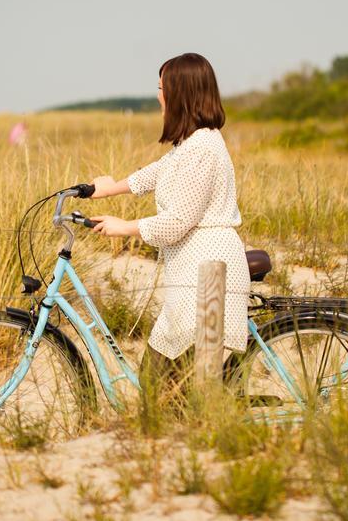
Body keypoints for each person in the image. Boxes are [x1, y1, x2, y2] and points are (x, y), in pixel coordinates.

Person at [88, 52, 249, 406]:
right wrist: (108, 188)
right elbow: (159, 171)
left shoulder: (204, 148)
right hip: (193, 276)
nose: (158, 96)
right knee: (165, 385)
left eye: (162, 88)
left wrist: (124, 227)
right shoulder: (190, 144)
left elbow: (177, 222)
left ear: (180, 93)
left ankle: (209, 441)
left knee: (174, 390)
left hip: (209, 275)